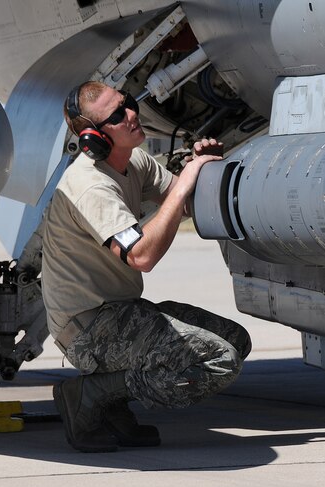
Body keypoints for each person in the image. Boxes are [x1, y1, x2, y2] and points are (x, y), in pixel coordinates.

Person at [41, 81, 252, 452]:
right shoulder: (89, 186)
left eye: (129, 104)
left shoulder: (133, 160)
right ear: (93, 135)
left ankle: (111, 404)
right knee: (220, 360)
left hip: (121, 312)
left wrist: (202, 172)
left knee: (235, 340)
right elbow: (142, 255)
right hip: (88, 328)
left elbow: (182, 204)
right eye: (118, 115)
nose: (132, 116)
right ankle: (89, 395)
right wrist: (185, 183)